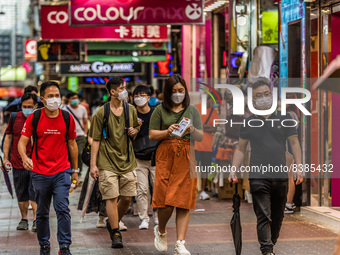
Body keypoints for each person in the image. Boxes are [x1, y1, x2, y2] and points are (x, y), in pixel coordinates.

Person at [229, 79, 303, 255]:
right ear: (253, 101)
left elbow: (294, 144)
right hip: (258, 175)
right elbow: (240, 149)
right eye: (258, 96)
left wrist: (299, 167)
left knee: (277, 216)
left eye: (266, 94)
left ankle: (271, 245)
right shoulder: (248, 123)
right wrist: (233, 169)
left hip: (280, 175)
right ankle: (267, 251)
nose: (263, 98)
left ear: (271, 94)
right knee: (263, 215)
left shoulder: (285, 118)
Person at [18, 81, 79, 255]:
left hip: (62, 171)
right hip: (39, 173)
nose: (54, 99)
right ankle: (44, 244)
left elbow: (72, 144)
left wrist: (75, 171)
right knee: (42, 213)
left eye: (57, 95)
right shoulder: (34, 118)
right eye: (50, 96)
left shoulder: (67, 118)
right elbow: (22, 142)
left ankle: (64, 245)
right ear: (42, 99)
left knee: (62, 208)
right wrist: (24, 157)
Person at [149, 74, 203, 255]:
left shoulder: (192, 110)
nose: (178, 94)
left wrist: (192, 130)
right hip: (166, 154)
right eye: (174, 91)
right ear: (168, 92)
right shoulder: (159, 110)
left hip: (187, 155)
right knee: (166, 202)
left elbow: (201, 136)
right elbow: (151, 135)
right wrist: (167, 131)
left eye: (181, 91)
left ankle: (180, 242)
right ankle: (161, 230)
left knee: (183, 201)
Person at [90, 77, 140, 249]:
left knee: (127, 197)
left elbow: (135, 130)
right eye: (121, 88)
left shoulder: (131, 110)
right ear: (112, 92)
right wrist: (93, 164)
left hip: (127, 160)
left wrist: (135, 131)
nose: (125, 91)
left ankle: (113, 223)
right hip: (106, 161)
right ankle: (116, 232)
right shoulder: (100, 113)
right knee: (111, 197)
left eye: (125, 87)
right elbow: (95, 139)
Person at [3, 93, 38, 231]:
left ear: (35, 106)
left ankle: (36, 220)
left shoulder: (39, 117)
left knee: (35, 192)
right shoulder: (14, 117)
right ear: (20, 106)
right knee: (21, 192)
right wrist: (5, 158)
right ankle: (24, 219)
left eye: (30, 106)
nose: (27, 109)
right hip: (18, 162)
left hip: (36, 163)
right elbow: (8, 138)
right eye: (25, 107)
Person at [132, 85, 158, 230]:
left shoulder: (155, 114)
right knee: (142, 189)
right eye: (136, 95)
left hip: (155, 157)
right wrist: (135, 128)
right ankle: (144, 218)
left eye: (142, 95)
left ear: (149, 98)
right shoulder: (131, 114)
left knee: (157, 187)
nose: (139, 98)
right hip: (138, 157)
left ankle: (157, 215)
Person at [77, 136, 107, 228]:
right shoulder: (97, 122)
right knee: (99, 190)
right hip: (98, 160)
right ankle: (102, 217)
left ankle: (117, 218)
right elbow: (90, 138)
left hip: (113, 159)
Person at [194, 95, 218, 200]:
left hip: (207, 145)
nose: (212, 103)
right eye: (211, 101)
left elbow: (214, 128)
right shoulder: (196, 108)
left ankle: (203, 191)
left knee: (205, 169)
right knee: (192, 168)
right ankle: (192, 190)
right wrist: (206, 126)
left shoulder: (214, 112)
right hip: (195, 144)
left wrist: (201, 126)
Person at [64, 92, 88, 175]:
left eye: (76, 98)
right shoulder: (65, 109)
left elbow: (85, 121)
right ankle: (72, 171)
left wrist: (85, 133)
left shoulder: (82, 108)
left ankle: (79, 172)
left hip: (80, 135)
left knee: (79, 153)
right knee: (70, 154)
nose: (75, 100)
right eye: (72, 98)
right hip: (69, 136)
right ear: (68, 99)